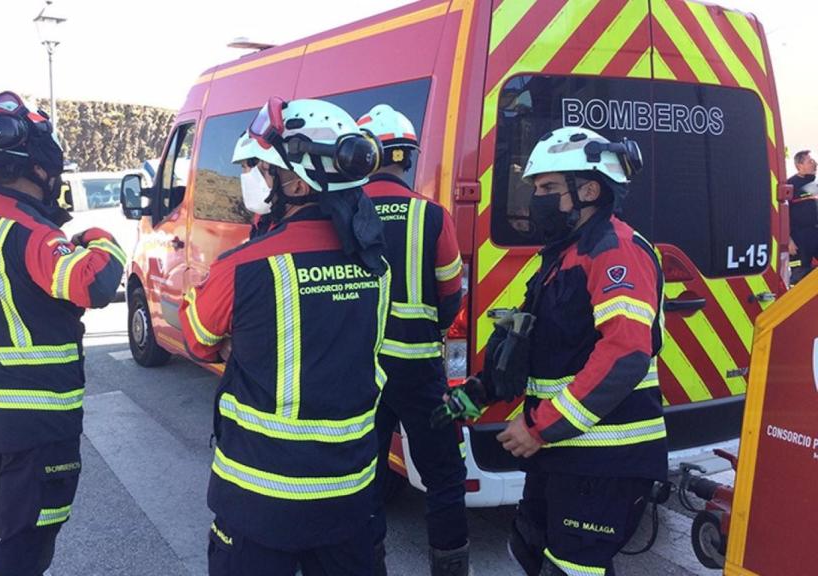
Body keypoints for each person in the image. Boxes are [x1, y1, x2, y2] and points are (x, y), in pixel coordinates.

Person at [433, 127, 665, 576]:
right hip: (563, 452)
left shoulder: (615, 251)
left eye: (548, 188)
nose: (536, 197)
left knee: (570, 569)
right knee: (527, 550)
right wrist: (476, 393)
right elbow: (529, 342)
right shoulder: (565, 254)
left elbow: (626, 351)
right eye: (536, 187)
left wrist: (540, 427)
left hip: (604, 458)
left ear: (589, 190)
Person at [180, 97, 389, 576]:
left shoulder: (244, 266)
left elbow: (196, 339)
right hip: (350, 492)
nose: (250, 175)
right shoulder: (375, 264)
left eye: (258, 165)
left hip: (258, 499)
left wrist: (237, 336)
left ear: (295, 181)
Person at [0, 91, 124, 576]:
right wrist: (103, 240)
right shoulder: (33, 232)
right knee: (24, 545)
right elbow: (93, 284)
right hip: (37, 425)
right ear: (35, 160)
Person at [356, 104, 469, 576]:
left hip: (362, 373)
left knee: (364, 480)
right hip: (421, 372)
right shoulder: (433, 217)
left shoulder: (345, 215)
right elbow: (450, 298)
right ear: (407, 158)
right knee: (444, 479)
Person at [787, 150, 818, 281]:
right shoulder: (790, 185)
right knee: (799, 278)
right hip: (798, 243)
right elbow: (782, 214)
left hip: (814, 236)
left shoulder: (815, 185)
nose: (815, 164)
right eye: (810, 161)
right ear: (800, 166)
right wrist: (788, 241)